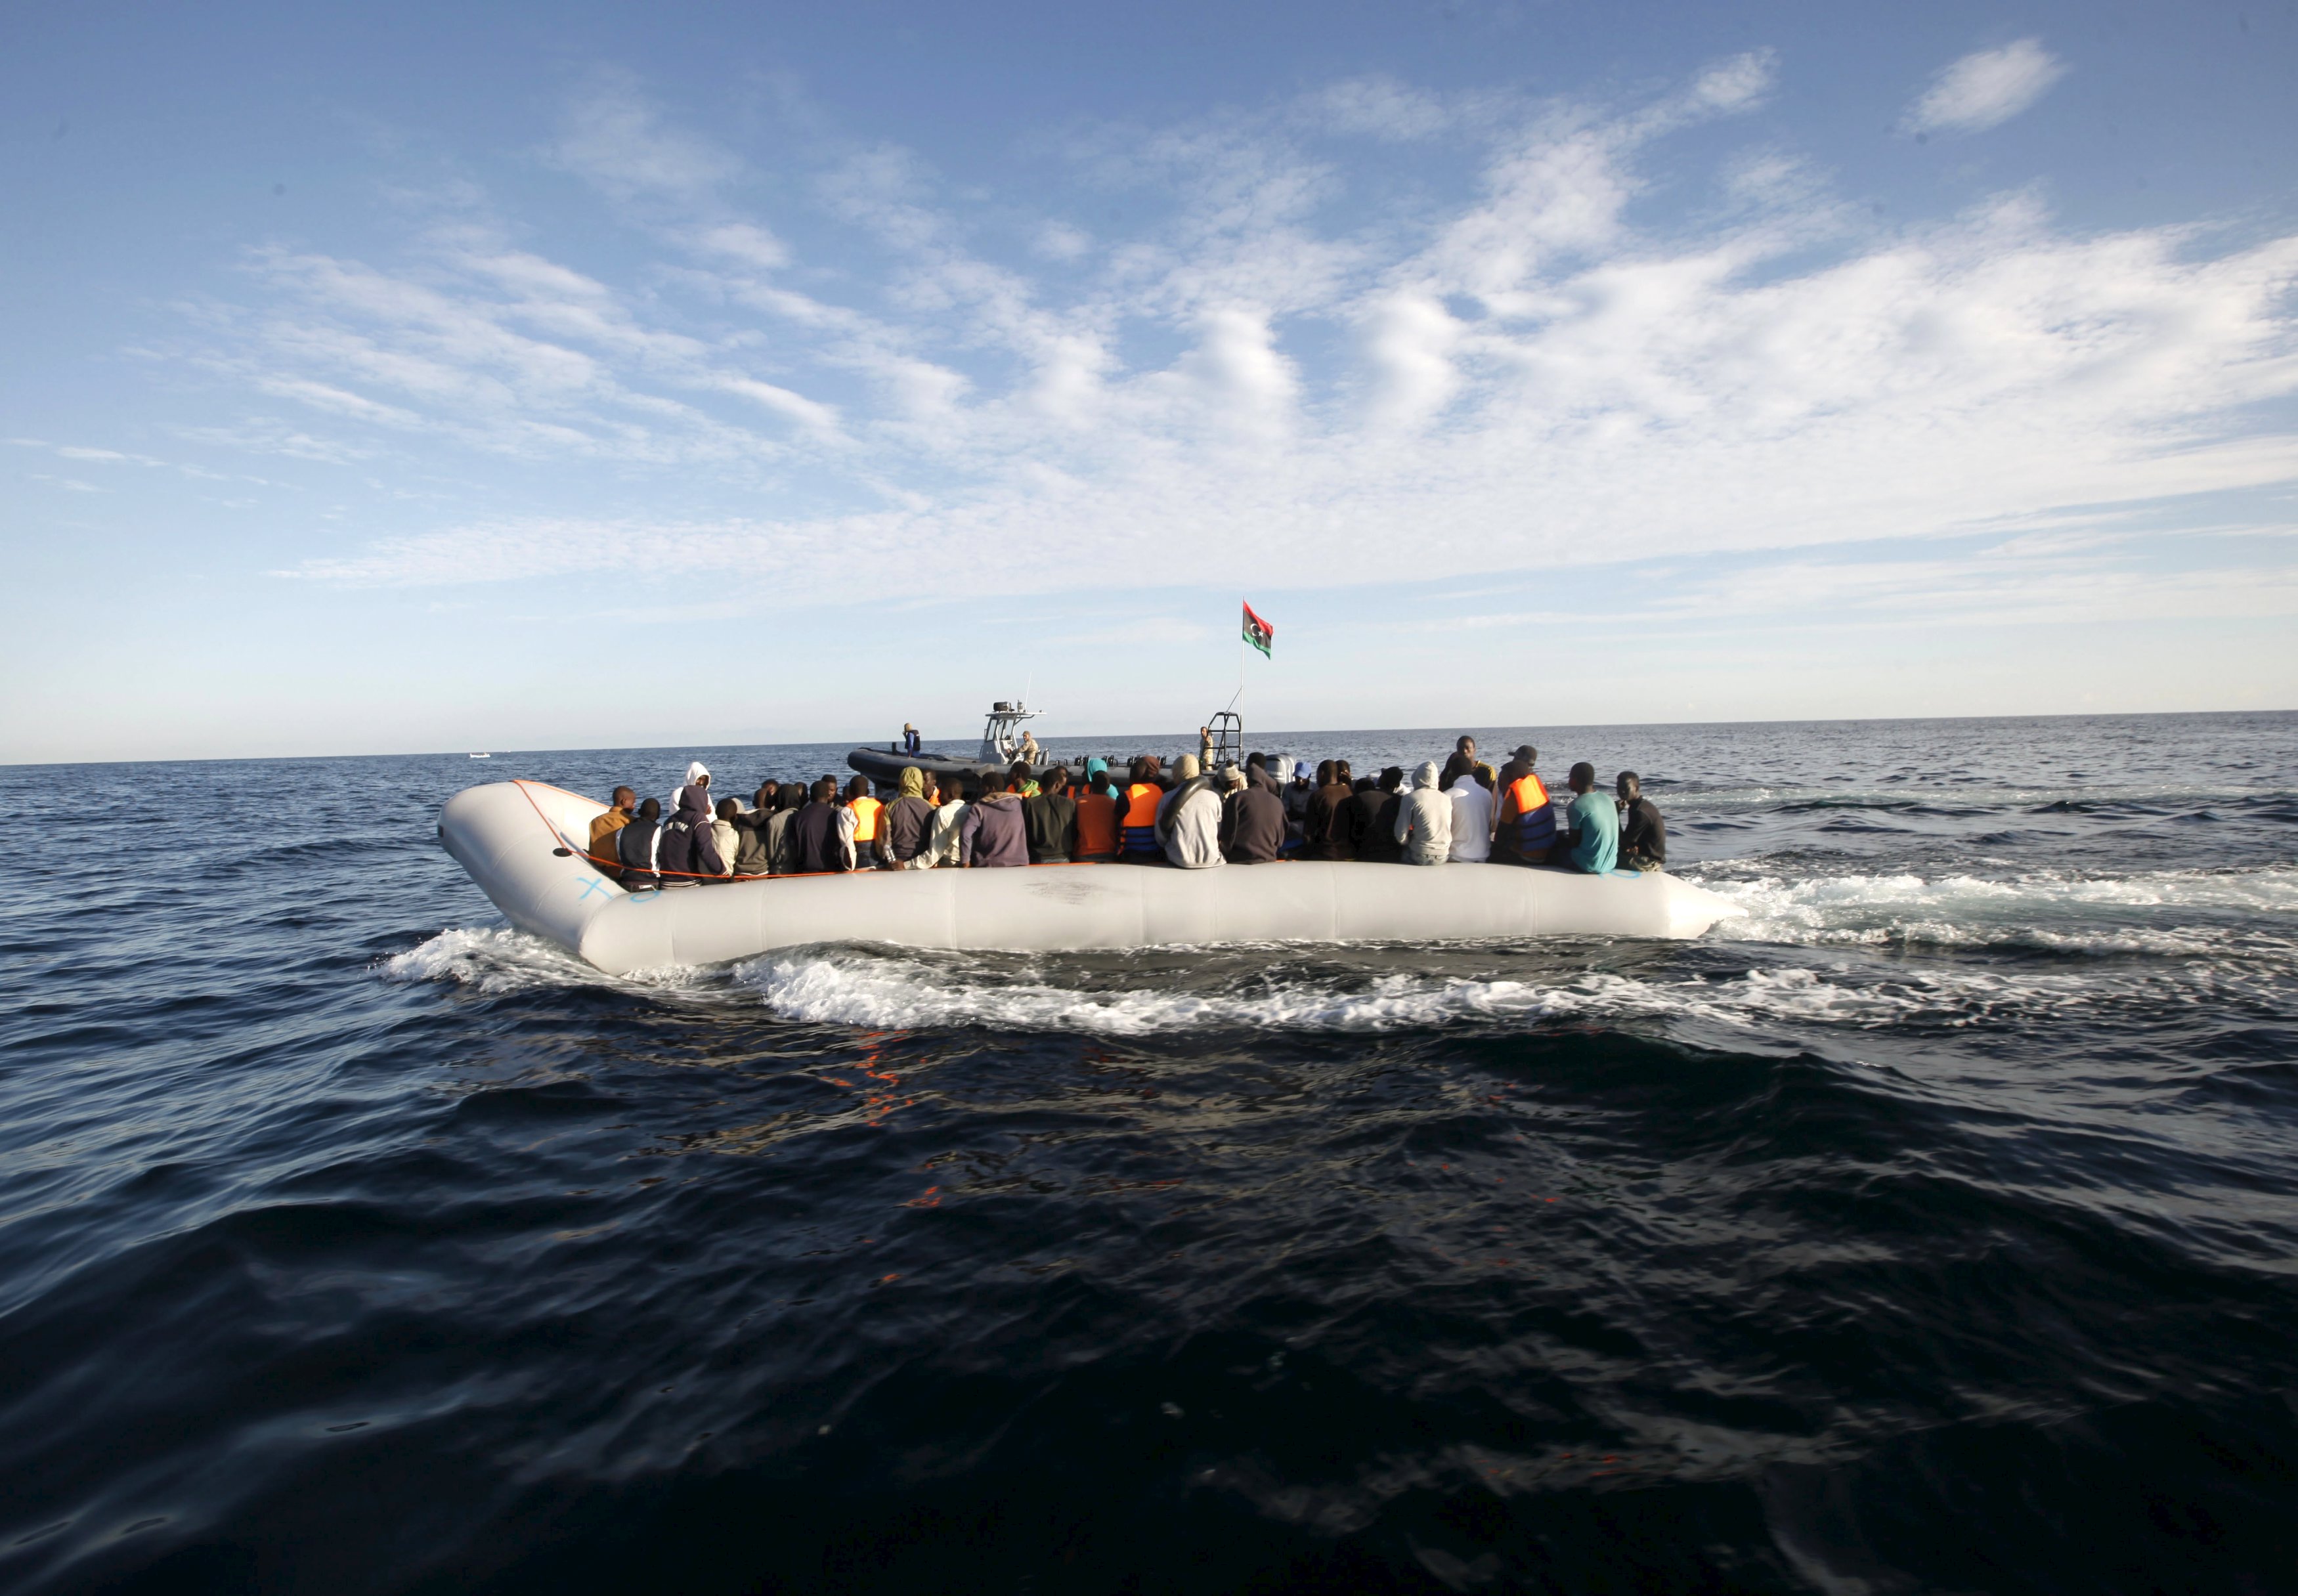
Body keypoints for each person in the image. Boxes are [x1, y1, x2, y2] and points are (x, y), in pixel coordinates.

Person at [1492, 745, 1559, 867]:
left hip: (1526, 856)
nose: (1499, 781)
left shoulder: (1514, 796)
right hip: (1546, 851)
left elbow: (1500, 839)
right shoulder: (1535, 782)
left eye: (1502, 778)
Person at [1155, 755, 1225, 869]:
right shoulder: (1214, 797)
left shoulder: (1167, 798)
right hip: (1213, 860)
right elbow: (1219, 830)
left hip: (1179, 860)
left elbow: (1160, 838)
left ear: (1176, 772)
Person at [657, 783, 724, 884]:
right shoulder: (699, 819)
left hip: (665, 881)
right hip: (688, 881)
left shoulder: (669, 820)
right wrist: (723, 873)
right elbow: (706, 851)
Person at [1559, 762, 1619, 874]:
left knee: (1553, 848)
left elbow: (1574, 843)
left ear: (1575, 779)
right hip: (1611, 863)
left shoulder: (1576, 806)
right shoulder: (1608, 799)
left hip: (1587, 865)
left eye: (1570, 777)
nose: (1569, 781)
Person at [960, 769, 1028, 867]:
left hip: (989, 865)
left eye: (982, 786)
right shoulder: (1018, 804)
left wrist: (965, 861)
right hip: (1019, 863)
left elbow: (965, 834)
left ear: (992, 789)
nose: (980, 789)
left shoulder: (979, 808)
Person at [1221, 764, 1286, 863]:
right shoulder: (1278, 802)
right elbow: (1280, 840)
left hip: (1239, 860)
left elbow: (1228, 835)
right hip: (1268, 859)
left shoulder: (1236, 799)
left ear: (1247, 781)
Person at [876, 766, 937, 869]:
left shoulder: (890, 808)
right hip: (923, 863)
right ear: (920, 782)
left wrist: (892, 861)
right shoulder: (932, 808)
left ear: (901, 782)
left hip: (897, 861)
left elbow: (885, 841)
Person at [1393, 760, 1453, 865]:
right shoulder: (1446, 798)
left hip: (1419, 854)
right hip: (1443, 856)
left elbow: (1400, 835)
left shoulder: (1410, 798)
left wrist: (1408, 842)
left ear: (1417, 777)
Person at [789, 777, 850, 874]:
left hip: (804, 870)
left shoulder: (797, 817)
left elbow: (792, 847)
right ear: (827, 796)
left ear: (811, 797)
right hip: (832, 870)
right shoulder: (836, 816)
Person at [1304, 760, 1356, 861]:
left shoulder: (1318, 795)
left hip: (1326, 853)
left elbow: (1308, 834)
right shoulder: (1351, 792)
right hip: (1349, 853)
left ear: (1322, 774)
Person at [1024, 766, 1078, 863]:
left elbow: (1026, 831)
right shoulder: (1070, 804)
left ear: (1041, 784)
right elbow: (1074, 831)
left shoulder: (1030, 803)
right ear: (1057, 785)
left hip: (1037, 857)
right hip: (1063, 856)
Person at [1616, 771, 1667, 871]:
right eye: (1619, 788)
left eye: (1626, 788)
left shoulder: (1639, 811)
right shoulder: (1640, 806)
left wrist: (1615, 814)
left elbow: (1624, 843)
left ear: (1637, 788)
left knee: (1603, 859)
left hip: (1649, 862)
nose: (1622, 792)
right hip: (1646, 858)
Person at [1356, 768, 1406, 863]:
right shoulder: (1400, 800)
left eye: (1382, 776)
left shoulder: (1363, 797)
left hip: (1366, 851)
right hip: (1393, 852)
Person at [1120, 756, 1165, 861]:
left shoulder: (1125, 797)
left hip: (1130, 853)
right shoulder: (1161, 793)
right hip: (1157, 852)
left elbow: (1116, 816)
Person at [1447, 764, 1494, 863]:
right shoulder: (1486, 793)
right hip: (1483, 855)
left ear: (1452, 774)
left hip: (1456, 855)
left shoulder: (1448, 795)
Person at [588, 787, 638, 878]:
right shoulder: (630, 821)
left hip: (599, 869)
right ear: (624, 801)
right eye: (633, 802)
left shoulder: (596, 821)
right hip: (620, 871)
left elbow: (592, 850)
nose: (634, 806)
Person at [615, 798, 664, 890]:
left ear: (640, 812)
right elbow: (664, 857)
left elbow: (620, 855)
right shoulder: (659, 830)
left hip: (626, 883)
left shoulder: (622, 831)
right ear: (658, 815)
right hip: (650, 882)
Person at [1073, 768, 1121, 861]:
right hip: (1109, 854)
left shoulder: (1077, 803)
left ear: (1091, 785)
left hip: (1082, 855)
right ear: (1108, 787)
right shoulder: (1114, 804)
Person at [846, 776, 882, 862]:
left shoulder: (848, 811)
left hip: (860, 861)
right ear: (868, 792)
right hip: (880, 859)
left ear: (850, 792)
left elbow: (847, 843)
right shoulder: (880, 806)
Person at [1282, 762, 1314, 851]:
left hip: (1307, 827)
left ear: (1309, 776)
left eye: (1303, 778)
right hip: (1291, 825)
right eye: (1297, 777)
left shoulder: (1315, 790)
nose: (1300, 781)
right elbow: (1286, 811)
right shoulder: (1289, 788)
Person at [710, 798, 743, 879]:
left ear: (715, 812)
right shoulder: (735, 835)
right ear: (735, 817)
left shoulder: (704, 831)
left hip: (706, 878)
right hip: (726, 880)